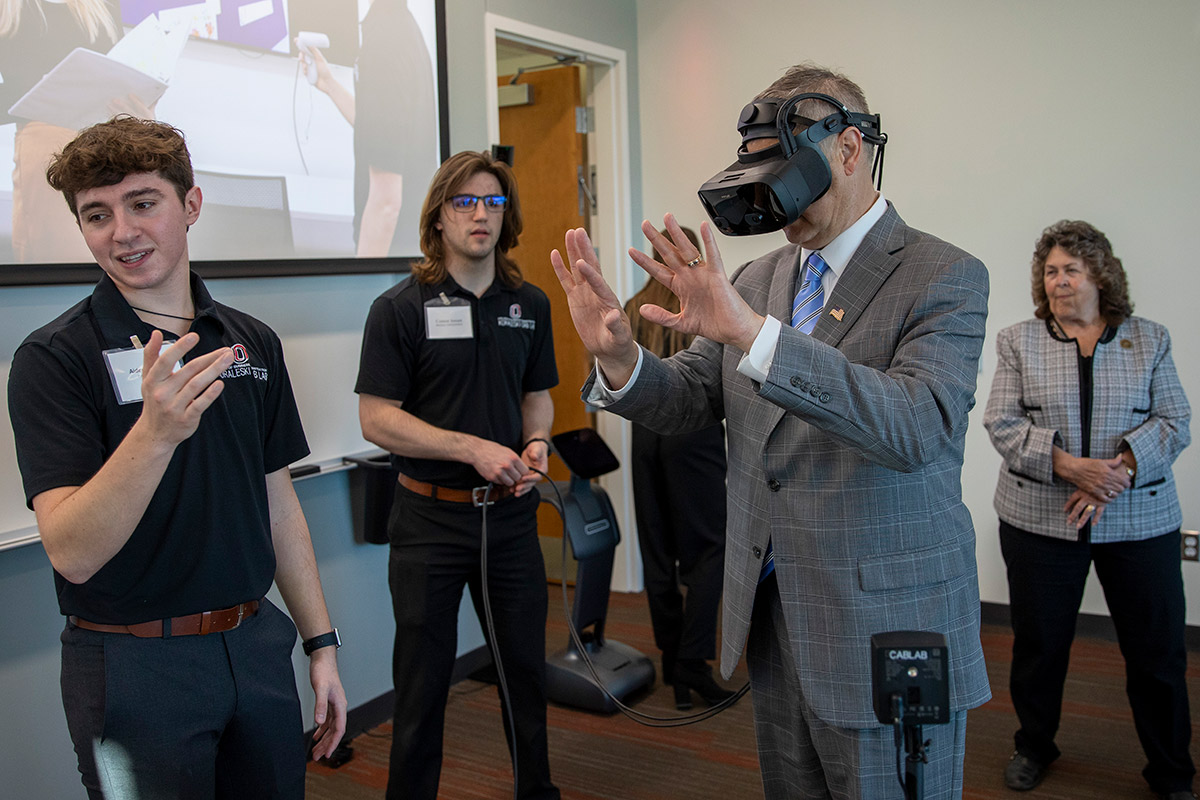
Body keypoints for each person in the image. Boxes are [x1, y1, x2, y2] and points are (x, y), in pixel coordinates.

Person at [551, 63, 992, 798]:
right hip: (773, 614)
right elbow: (691, 396)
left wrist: (760, 337)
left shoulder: (943, 276)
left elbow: (917, 425)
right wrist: (622, 359)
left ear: (849, 150)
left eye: (784, 164)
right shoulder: (759, 280)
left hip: (881, 623)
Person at [5, 116, 347, 798]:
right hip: (133, 664)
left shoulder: (251, 342)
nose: (123, 232)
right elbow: (71, 550)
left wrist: (320, 643)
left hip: (254, 646)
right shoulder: (54, 359)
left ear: (190, 206)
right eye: (97, 214)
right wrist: (155, 434)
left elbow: (279, 506)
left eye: (143, 203)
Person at [355, 150, 560, 800]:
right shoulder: (399, 307)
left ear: (507, 217)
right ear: (438, 217)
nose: (480, 214)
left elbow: (537, 395)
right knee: (421, 686)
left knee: (525, 675)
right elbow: (376, 419)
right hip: (428, 524)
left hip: (509, 519)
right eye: (464, 202)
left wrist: (535, 442)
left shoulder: (528, 303)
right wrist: (470, 447)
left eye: (493, 203)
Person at [982, 220, 1193, 800]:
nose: (1059, 281)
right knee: (1039, 645)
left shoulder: (1150, 339)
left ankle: (1172, 771)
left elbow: (1175, 421)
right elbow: (1001, 422)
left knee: (1157, 652)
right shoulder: (1018, 341)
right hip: (1039, 521)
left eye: (1071, 269)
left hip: (1139, 519)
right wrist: (1072, 468)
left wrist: (1115, 471)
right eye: (1050, 270)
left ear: (1100, 275)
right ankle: (1034, 746)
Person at [625, 225, 733, 711]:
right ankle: (693, 664)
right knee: (710, 548)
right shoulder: (702, 304)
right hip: (693, 432)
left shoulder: (632, 306)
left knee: (656, 551)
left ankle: (671, 659)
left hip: (643, 434)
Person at [300, 0, 437, 257]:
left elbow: (387, 203)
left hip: (390, 254)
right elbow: (378, 131)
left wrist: (363, 273)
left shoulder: (384, 42)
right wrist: (328, 83)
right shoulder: (401, 28)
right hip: (408, 250)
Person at [1, 0, 118, 263]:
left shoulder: (103, 6)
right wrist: (38, 97)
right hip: (46, 148)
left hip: (108, 147)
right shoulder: (11, 9)